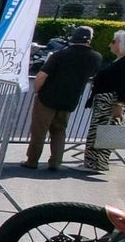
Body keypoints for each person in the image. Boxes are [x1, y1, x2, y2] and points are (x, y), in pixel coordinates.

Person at [21, 25, 102, 171]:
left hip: (48, 98)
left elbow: (41, 76)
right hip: (70, 99)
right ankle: (55, 162)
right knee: (59, 130)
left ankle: (32, 161)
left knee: (39, 131)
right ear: (89, 40)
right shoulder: (96, 57)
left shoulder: (60, 55)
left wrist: (37, 92)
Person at [77, 30, 125, 173]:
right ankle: (92, 162)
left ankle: (97, 164)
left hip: (111, 102)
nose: (111, 45)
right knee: (98, 132)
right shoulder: (122, 60)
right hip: (105, 101)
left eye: (114, 42)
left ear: (122, 44)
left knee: (104, 133)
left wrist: (120, 102)